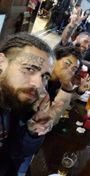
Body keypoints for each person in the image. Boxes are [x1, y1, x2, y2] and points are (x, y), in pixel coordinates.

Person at [0, 32, 63, 175]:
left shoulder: (13, 104)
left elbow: (15, 154)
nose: (39, 84)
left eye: (45, 76)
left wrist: (32, 133)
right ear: (1, 62)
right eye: (29, 69)